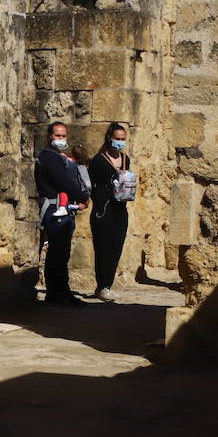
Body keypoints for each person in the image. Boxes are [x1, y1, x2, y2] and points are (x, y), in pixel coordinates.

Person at [34, 121, 90, 305]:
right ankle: (55, 294)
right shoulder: (49, 157)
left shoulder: (59, 156)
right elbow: (63, 181)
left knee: (62, 252)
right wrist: (82, 196)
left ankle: (63, 291)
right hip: (54, 209)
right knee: (57, 253)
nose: (61, 139)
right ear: (50, 136)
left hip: (65, 209)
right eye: (57, 135)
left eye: (63, 136)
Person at [88, 123, 132, 302]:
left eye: (123, 139)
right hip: (104, 209)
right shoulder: (98, 160)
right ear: (109, 138)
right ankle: (102, 285)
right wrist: (104, 194)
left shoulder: (125, 158)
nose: (120, 143)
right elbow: (90, 185)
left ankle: (108, 284)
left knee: (116, 247)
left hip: (120, 209)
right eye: (117, 139)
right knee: (103, 247)